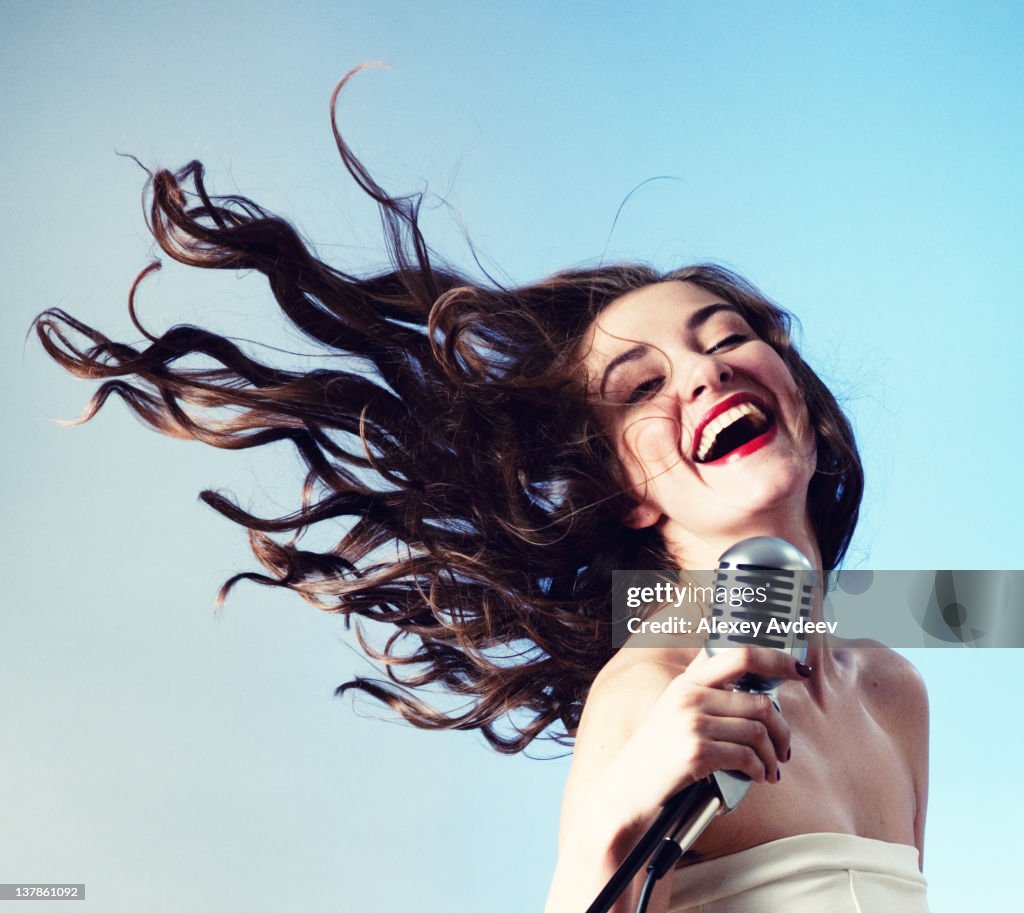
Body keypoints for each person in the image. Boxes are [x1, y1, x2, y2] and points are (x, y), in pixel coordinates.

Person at [34, 68, 929, 913]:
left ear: (800, 399)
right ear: (628, 494)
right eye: (641, 386)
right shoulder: (648, 694)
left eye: (722, 336)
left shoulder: (892, 692)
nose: (702, 375)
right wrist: (619, 813)